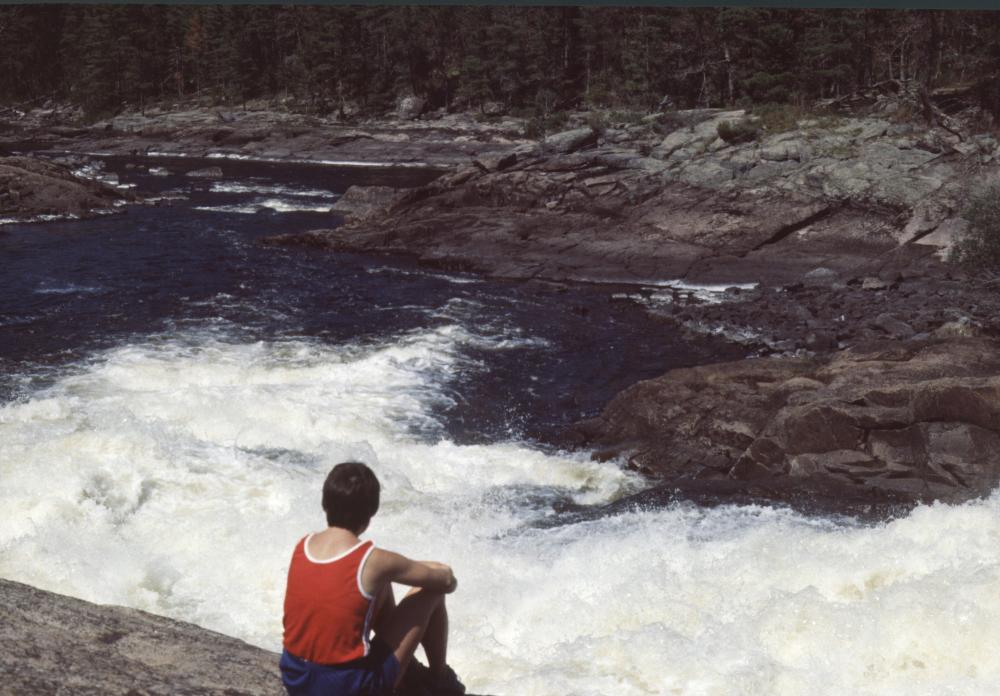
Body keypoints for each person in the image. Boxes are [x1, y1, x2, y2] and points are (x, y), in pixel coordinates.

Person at [281, 461, 466, 696]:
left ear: (325, 503)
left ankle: (409, 673)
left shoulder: (303, 545)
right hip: (348, 688)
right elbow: (444, 581)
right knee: (431, 590)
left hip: (296, 678)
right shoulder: (374, 561)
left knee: (377, 584)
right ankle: (439, 681)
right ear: (371, 513)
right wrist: (443, 573)